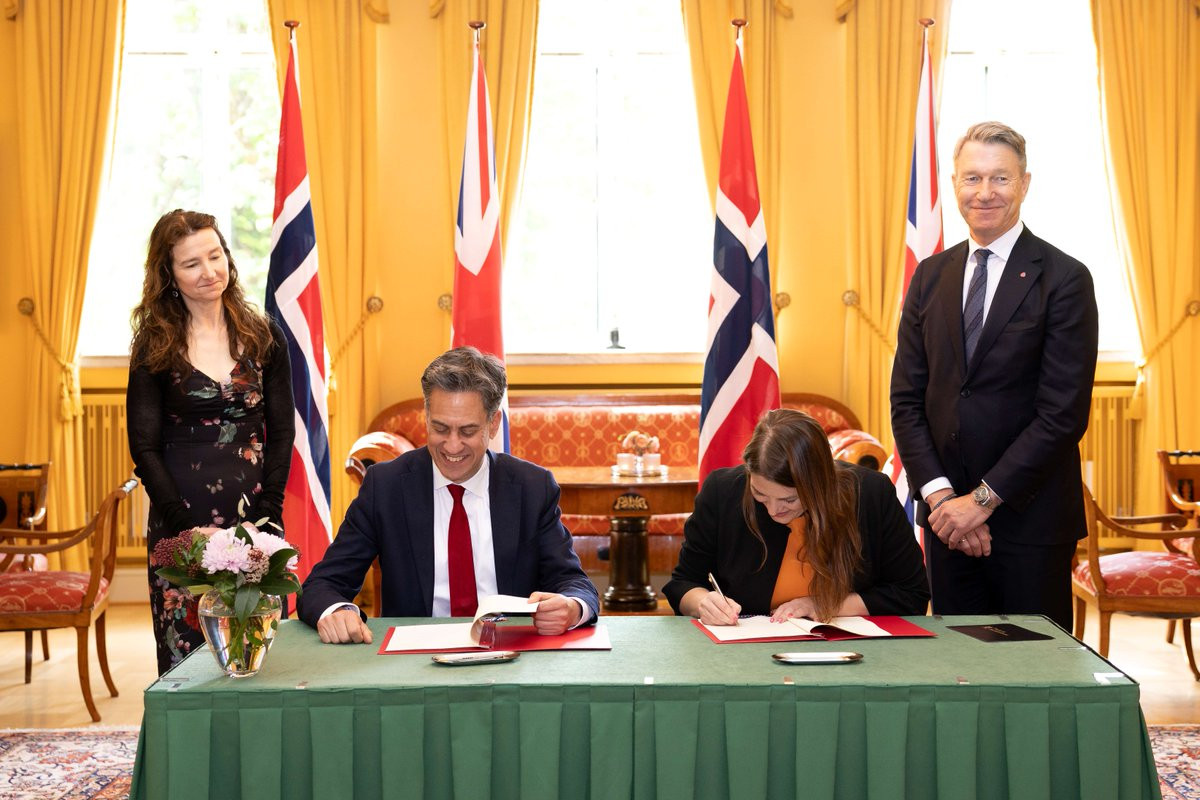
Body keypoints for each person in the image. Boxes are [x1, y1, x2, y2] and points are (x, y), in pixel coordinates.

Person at [890, 121, 1099, 631]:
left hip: (1030, 524)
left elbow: (1061, 416)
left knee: (1034, 668)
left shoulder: (1065, 279)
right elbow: (907, 401)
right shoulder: (929, 276)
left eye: (1000, 178)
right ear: (955, 184)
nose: (985, 192)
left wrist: (981, 503)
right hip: (947, 525)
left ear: (1024, 184)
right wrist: (944, 501)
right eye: (972, 178)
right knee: (960, 666)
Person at [299, 346, 600, 643]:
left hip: (510, 654)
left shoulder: (532, 487)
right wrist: (337, 611)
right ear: (427, 417)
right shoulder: (386, 487)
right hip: (413, 657)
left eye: (467, 431)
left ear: (493, 424)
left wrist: (571, 608)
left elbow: (574, 583)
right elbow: (323, 584)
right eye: (441, 428)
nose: (452, 446)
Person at [127, 209, 295, 675]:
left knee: (257, 650)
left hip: (256, 517)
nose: (208, 271)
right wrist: (186, 530)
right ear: (168, 274)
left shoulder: (264, 335)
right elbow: (143, 446)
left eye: (215, 255)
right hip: (182, 524)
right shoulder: (153, 346)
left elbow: (282, 432)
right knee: (187, 657)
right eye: (191, 263)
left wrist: (269, 514)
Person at [663, 409, 929, 624]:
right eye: (760, 494)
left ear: (820, 484)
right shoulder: (722, 491)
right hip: (745, 649)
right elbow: (684, 583)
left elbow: (911, 593)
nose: (773, 510)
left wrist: (825, 605)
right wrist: (703, 602)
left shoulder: (870, 494)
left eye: (789, 499)